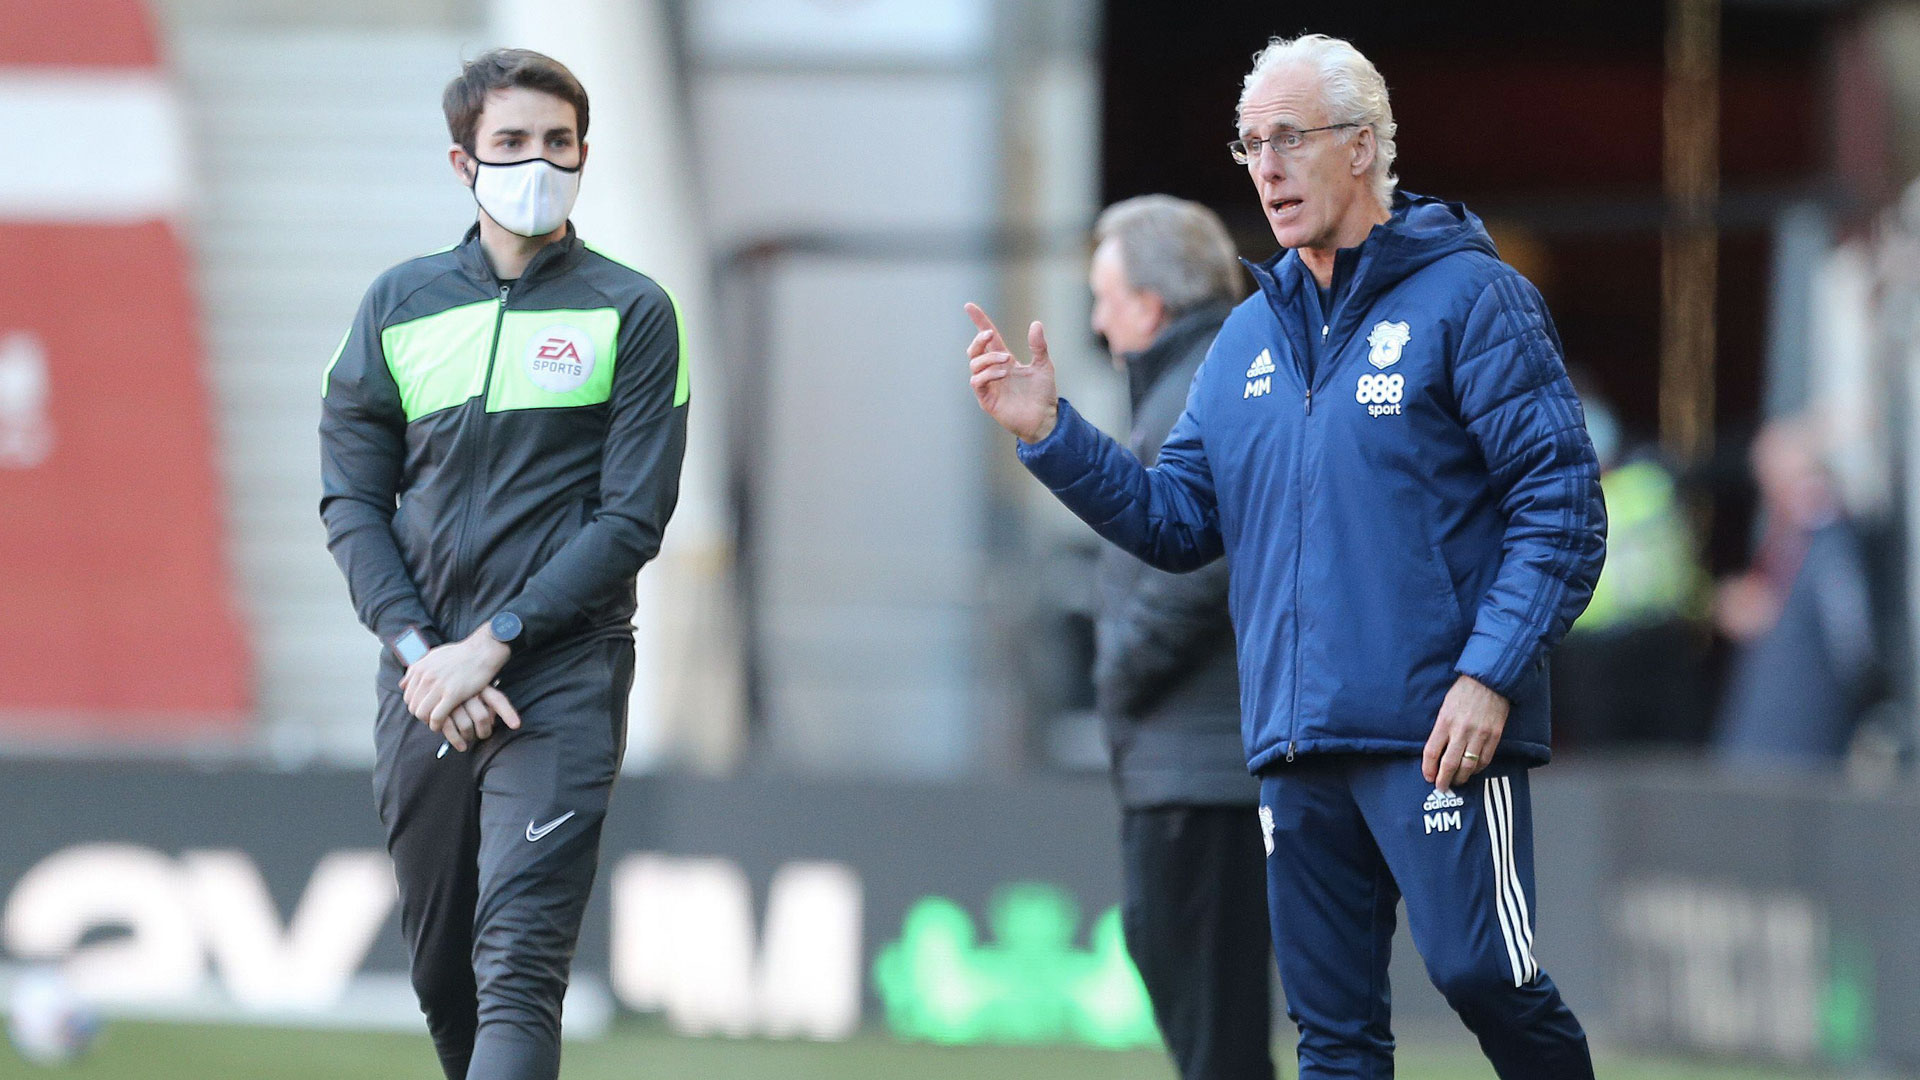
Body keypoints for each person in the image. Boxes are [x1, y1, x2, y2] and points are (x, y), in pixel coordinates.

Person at [965, 33, 1605, 1079]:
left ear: (1361, 147)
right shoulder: (1248, 338)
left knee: (1487, 977)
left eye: (1289, 139)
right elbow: (1176, 520)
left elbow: (1564, 506)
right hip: (1297, 742)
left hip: (1436, 730)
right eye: (1250, 144)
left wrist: (1488, 673)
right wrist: (1053, 435)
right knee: (1333, 1036)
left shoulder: (1471, 299)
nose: (1265, 167)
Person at [319, 49, 688, 1080]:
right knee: (446, 981)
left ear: (584, 155)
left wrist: (497, 644)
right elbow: (351, 500)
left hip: (560, 676)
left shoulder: (635, 310)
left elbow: (633, 518)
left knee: (518, 966)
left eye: (559, 143)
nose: (540, 162)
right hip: (423, 683)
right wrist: (424, 653)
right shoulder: (397, 304)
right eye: (513, 143)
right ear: (462, 161)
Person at [1086, 195, 1274, 1080]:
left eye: (1105, 296)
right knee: (1203, 1015)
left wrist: (1118, 672)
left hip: (1205, 772)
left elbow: (1202, 565)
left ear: (1152, 306)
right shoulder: (1201, 379)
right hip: (1190, 766)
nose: (1096, 319)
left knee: (1216, 1036)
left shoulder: (1204, 389)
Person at [1714, 417, 1882, 767]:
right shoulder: (1790, 539)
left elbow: (1850, 640)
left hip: (1803, 724)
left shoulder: (1827, 539)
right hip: (1773, 727)